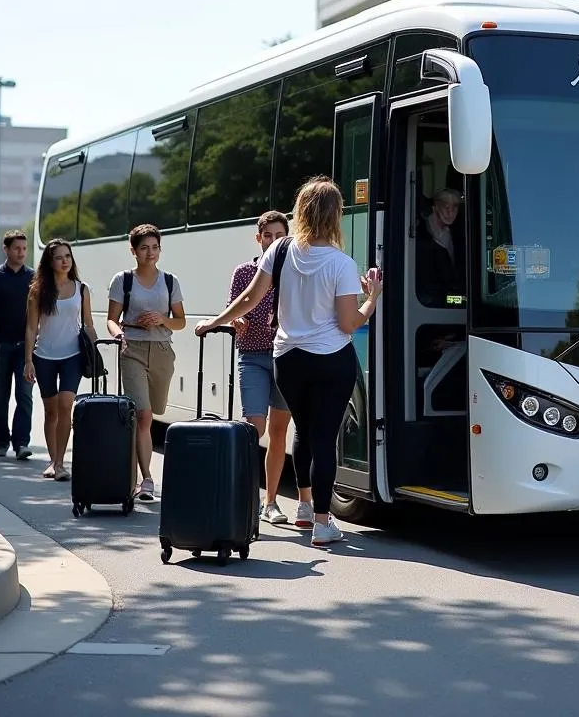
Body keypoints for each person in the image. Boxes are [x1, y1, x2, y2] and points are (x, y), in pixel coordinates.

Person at [196, 176, 382, 547]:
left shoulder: (279, 249)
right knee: (324, 437)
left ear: (300, 212)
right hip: (331, 360)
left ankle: (303, 506)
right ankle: (323, 524)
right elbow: (349, 323)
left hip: (288, 360)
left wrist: (214, 322)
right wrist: (372, 297)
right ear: (336, 215)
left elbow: (250, 298)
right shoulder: (342, 263)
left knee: (303, 430)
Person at [107, 223, 186, 501]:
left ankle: (137, 469)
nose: (150, 253)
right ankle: (147, 479)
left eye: (154, 247)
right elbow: (111, 320)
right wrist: (119, 336)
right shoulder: (123, 280)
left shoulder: (169, 281)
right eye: (144, 248)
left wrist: (162, 319)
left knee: (156, 410)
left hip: (162, 349)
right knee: (143, 415)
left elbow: (181, 322)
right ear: (134, 251)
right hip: (133, 349)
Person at [227, 210, 292, 525]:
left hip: (285, 357)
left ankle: (270, 503)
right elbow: (233, 308)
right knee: (255, 428)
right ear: (259, 238)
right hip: (252, 356)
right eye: (268, 236)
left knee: (279, 432)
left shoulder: (294, 270)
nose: (274, 241)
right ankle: (248, 498)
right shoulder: (244, 271)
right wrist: (236, 318)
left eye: (280, 236)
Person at [25, 238, 97, 481]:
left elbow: (89, 325)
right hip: (44, 355)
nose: (65, 261)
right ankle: (52, 458)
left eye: (68, 256)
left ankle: (60, 463)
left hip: (72, 356)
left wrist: (97, 350)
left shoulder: (82, 289)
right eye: (59, 257)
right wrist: (28, 360)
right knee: (51, 410)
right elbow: (30, 329)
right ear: (50, 261)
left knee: (67, 404)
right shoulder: (37, 291)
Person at [0, 230, 35, 460]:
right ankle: (1, 441)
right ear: (6, 249)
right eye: (16, 249)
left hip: (25, 347)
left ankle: (21, 443)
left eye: (24, 248)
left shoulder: (33, 278)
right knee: (0, 396)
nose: (21, 253)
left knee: (24, 395)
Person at [416, 188, 465, 307]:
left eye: (455, 207)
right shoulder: (420, 233)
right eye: (446, 207)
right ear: (435, 208)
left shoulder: (459, 233)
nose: (451, 212)